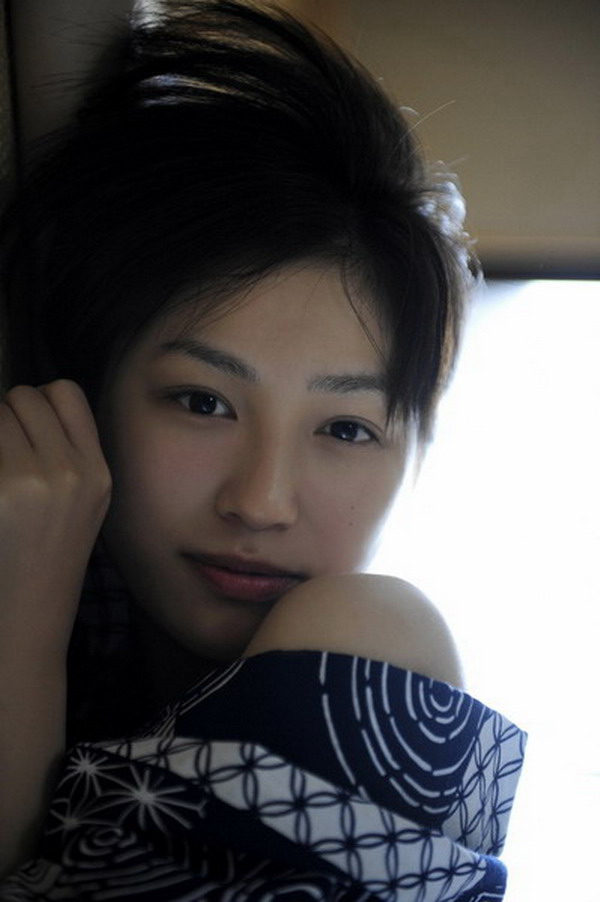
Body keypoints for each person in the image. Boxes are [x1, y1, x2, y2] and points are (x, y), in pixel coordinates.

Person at [0, 1, 526, 898]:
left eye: (346, 429)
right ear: (83, 393)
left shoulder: (370, 650)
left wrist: (17, 634)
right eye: (203, 402)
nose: (262, 500)